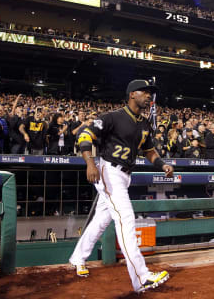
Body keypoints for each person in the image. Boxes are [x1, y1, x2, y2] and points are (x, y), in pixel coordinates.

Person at [69, 79, 172, 293]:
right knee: (126, 220)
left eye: (150, 93)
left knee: (100, 221)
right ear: (132, 94)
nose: (149, 96)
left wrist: (162, 165)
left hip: (125, 176)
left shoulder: (144, 124)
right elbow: (84, 135)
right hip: (109, 171)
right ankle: (141, 277)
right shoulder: (112, 117)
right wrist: (90, 162)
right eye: (145, 92)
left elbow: (149, 151)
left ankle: (78, 257)